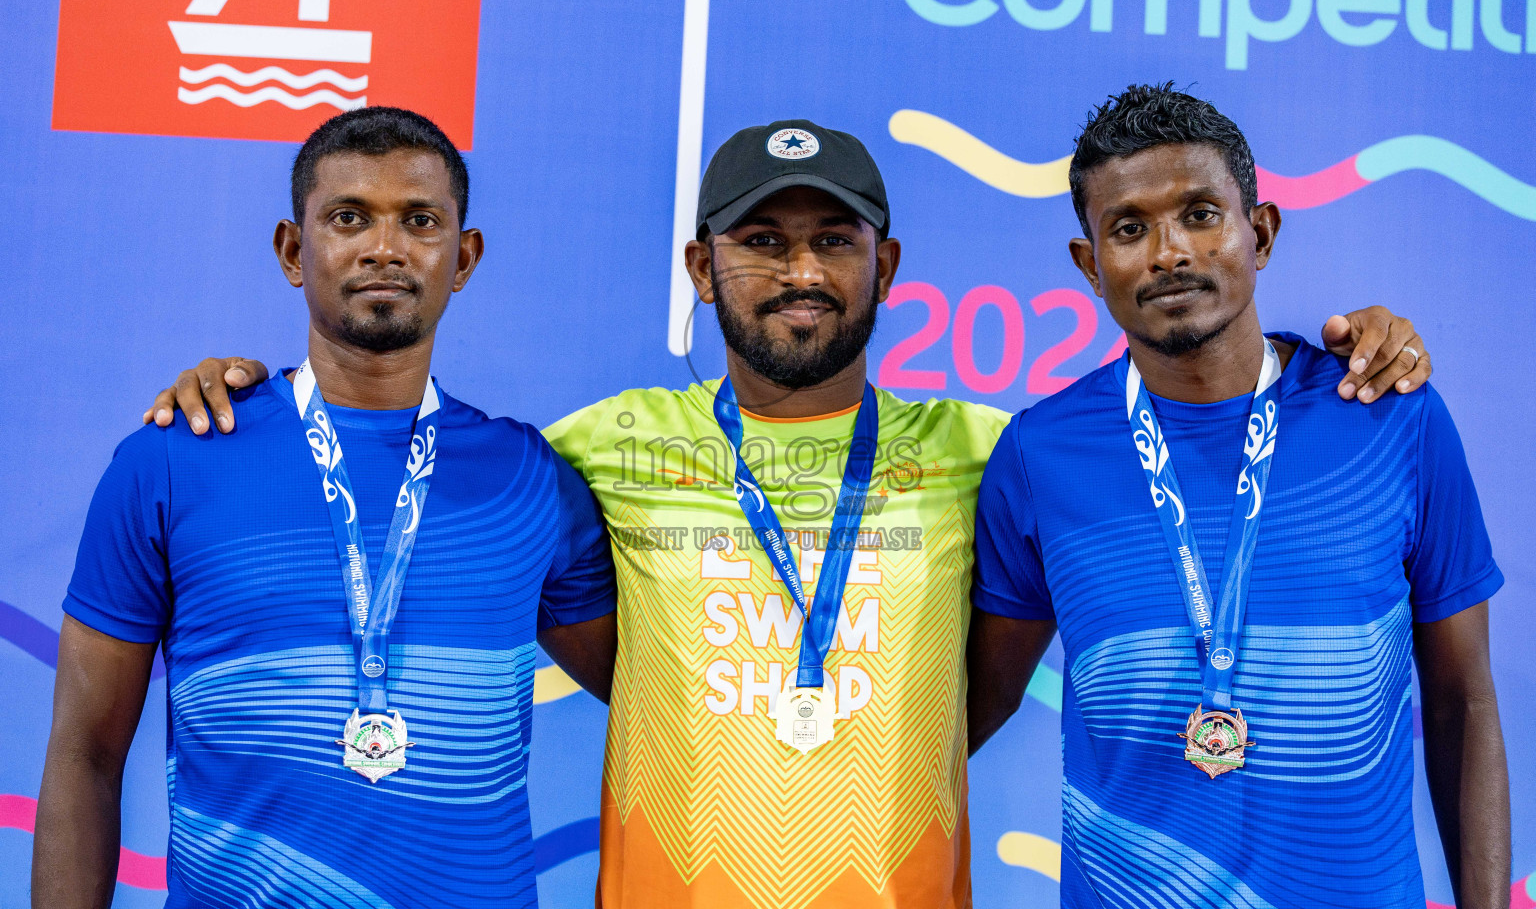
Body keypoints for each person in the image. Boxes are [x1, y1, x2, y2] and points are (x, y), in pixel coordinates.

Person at [142, 117, 1435, 909]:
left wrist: (1345, 353)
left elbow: (1181, 434)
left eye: (836, 239)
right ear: (704, 271)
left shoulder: (1002, 454)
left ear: (890, 269)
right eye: (762, 242)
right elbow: (401, 472)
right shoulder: (592, 454)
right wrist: (237, 386)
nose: (802, 271)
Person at [32, 107, 618, 909]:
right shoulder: (172, 459)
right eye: (349, 218)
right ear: (291, 251)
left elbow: (665, 699)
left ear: (463, 257)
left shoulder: (529, 479)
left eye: (420, 220)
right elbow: (84, 757)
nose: (385, 248)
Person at [967, 84, 1509, 909]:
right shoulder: (1039, 455)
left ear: (1260, 233)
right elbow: (977, 700)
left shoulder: (1389, 414)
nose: (1169, 252)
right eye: (1128, 228)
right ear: (1089, 265)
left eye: (1199, 214)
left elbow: (1463, 701)